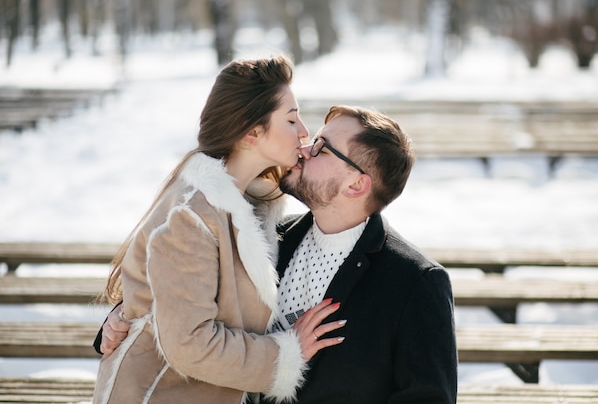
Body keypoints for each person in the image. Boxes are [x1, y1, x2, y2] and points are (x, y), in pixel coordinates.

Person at [96, 105, 458, 403]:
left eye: (321, 147)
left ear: (356, 184)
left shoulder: (416, 283)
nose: (303, 149)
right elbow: (189, 304)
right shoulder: (265, 238)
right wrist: (121, 320)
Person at [91, 55, 346, 404]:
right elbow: (190, 344)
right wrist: (286, 353)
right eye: (291, 119)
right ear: (252, 131)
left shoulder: (249, 207)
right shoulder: (191, 216)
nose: (304, 131)